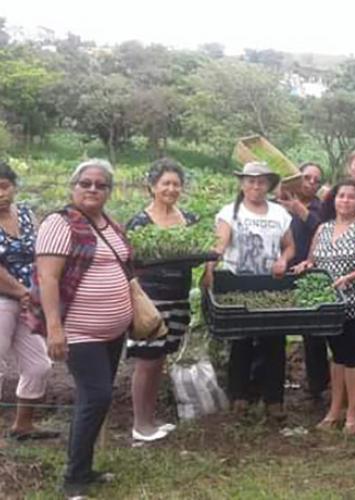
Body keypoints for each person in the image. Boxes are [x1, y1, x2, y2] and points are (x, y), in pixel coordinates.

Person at [28, 159, 133, 498]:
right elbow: (48, 278)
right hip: (79, 331)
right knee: (97, 396)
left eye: (100, 185)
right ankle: (74, 478)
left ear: (108, 191)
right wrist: (55, 329)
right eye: (85, 183)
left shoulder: (109, 224)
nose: (92, 189)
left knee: (96, 400)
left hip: (112, 332)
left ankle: (85, 469)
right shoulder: (60, 223)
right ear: (73, 187)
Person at [203, 162, 295, 418]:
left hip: (271, 286)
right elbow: (219, 245)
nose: (256, 186)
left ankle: (274, 400)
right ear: (242, 184)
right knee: (241, 342)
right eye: (251, 181)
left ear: (268, 185)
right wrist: (210, 269)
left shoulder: (278, 213)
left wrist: (283, 260)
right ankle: (239, 397)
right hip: (238, 285)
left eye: (261, 181)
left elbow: (289, 246)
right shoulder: (230, 212)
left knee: (274, 342)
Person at [294, 180, 355, 435]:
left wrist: (350, 277)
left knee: (353, 358)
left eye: (351, 197)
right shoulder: (323, 228)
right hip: (330, 305)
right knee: (337, 358)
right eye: (341, 196)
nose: (345, 200)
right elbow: (313, 259)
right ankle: (334, 409)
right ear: (333, 200)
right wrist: (305, 266)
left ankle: (353, 412)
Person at [126, 159, 197, 441]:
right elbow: (129, 261)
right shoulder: (140, 222)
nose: (171, 189)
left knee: (160, 358)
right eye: (165, 183)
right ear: (153, 186)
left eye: (176, 184)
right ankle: (140, 424)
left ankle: (151, 418)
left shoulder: (189, 220)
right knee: (147, 359)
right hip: (149, 300)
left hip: (178, 298)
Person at [0, 161, 53, 447]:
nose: (0, 194)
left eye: (4, 187)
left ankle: (23, 424)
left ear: (14, 187)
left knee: (39, 365)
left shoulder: (25, 214)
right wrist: (22, 291)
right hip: (3, 300)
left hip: (26, 300)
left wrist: (40, 289)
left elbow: (40, 253)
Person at [279, 162, 330, 401]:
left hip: (312, 273)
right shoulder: (278, 203)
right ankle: (271, 381)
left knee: (314, 332)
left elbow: (323, 230)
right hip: (281, 271)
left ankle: (317, 384)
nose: (310, 183)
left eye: (316, 180)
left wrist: (300, 209)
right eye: (306, 177)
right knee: (275, 328)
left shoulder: (323, 208)